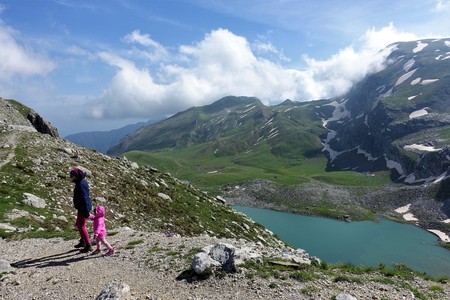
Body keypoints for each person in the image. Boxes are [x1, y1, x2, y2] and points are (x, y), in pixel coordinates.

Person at [70, 167, 93, 253]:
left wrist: (86, 211)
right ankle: (83, 241)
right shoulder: (80, 182)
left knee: (81, 226)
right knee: (79, 224)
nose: (70, 177)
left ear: (75, 176)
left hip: (83, 208)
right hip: (81, 207)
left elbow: (85, 198)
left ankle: (88, 245)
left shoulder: (80, 184)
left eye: (71, 175)